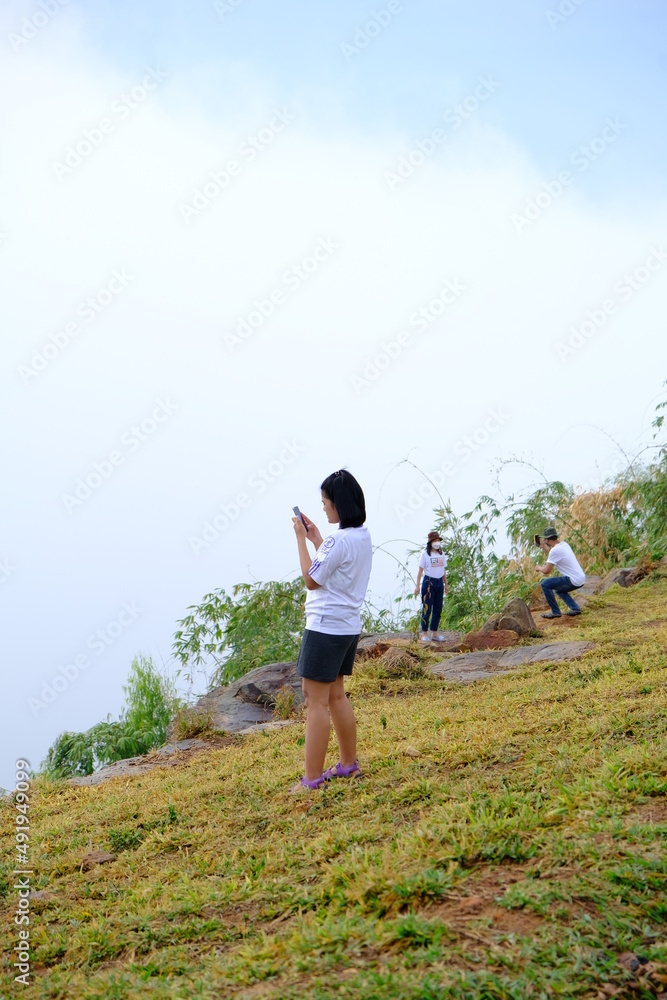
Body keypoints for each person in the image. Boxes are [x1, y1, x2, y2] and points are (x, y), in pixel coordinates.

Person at [290, 470, 372, 793]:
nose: (323, 508)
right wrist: (316, 539)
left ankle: (311, 780)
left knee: (315, 701)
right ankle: (348, 764)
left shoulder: (339, 540)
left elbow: (313, 579)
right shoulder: (361, 536)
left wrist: (299, 538)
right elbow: (336, 564)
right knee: (336, 694)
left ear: (338, 504)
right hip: (347, 627)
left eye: (325, 502)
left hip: (324, 627)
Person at [534, 526, 586, 618]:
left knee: (545, 584)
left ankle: (555, 612)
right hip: (581, 578)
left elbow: (546, 571)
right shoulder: (564, 545)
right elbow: (553, 554)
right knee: (559, 590)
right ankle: (575, 608)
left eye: (545, 539)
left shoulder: (555, 550)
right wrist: (544, 547)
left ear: (547, 539)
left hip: (573, 580)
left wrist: (539, 568)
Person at [414, 530, 449, 641]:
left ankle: (435, 633)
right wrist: (417, 585)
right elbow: (420, 571)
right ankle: (424, 633)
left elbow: (443, 570)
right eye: (435, 540)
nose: (437, 542)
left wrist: (446, 585)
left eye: (438, 540)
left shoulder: (441, 554)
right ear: (430, 542)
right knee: (427, 608)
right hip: (429, 582)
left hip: (439, 582)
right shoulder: (425, 555)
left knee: (438, 608)